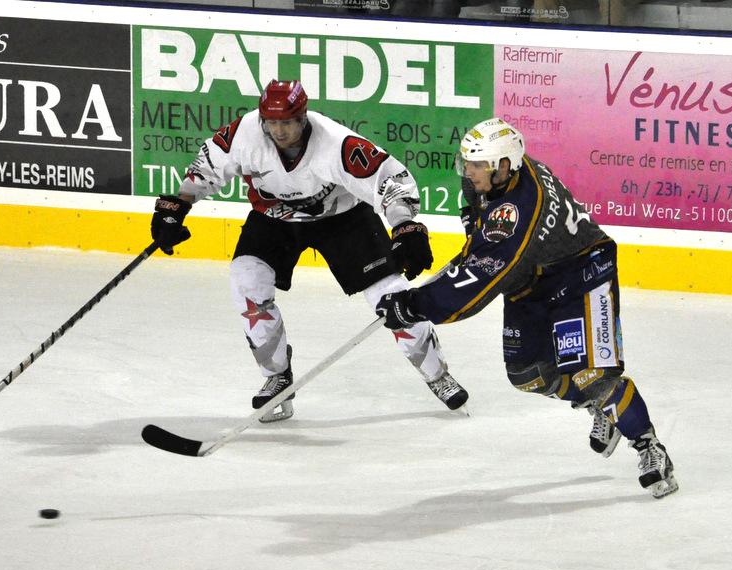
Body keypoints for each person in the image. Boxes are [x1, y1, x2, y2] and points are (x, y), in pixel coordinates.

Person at [375, 117, 678, 499]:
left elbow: (475, 285)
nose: (468, 172)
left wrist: (414, 304)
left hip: (583, 272)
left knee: (592, 376)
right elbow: (480, 243)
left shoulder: (519, 210)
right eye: (467, 163)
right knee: (528, 375)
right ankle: (598, 404)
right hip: (531, 277)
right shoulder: (499, 179)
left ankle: (649, 446)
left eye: (477, 165)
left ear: (504, 166)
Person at [150, 79, 469, 422]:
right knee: (246, 280)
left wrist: (404, 226)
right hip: (273, 219)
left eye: (287, 122)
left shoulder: (335, 143)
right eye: (271, 122)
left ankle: (438, 375)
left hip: (344, 220)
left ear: (302, 117)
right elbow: (206, 169)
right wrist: (177, 207)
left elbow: (389, 180)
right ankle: (277, 376)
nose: (279, 131)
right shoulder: (244, 134)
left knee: (390, 295)